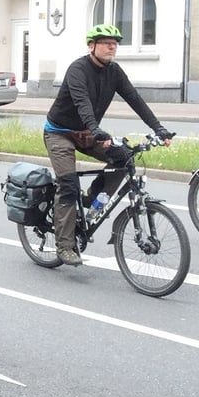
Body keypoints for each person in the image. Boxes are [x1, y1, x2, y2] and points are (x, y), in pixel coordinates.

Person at [43, 24, 173, 266]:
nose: (112, 46)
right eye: (106, 42)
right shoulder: (78, 69)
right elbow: (82, 103)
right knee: (68, 185)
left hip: (89, 132)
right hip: (60, 133)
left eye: (115, 43)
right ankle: (64, 246)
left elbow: (135, 99)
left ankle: (93, 199)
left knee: (124, 159)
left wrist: (158, 128)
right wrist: (95, 129)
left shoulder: (114, 71)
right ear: (92, 46)